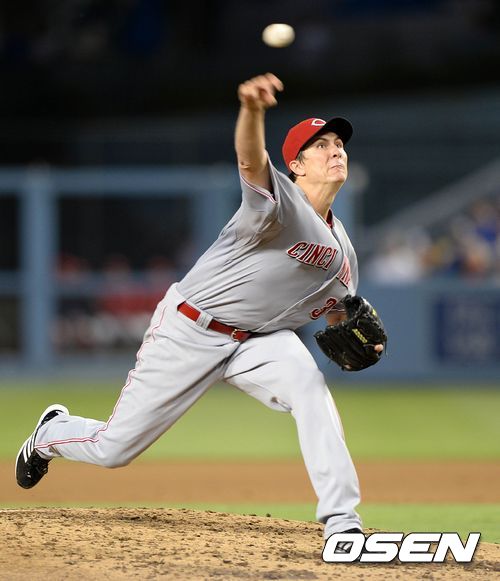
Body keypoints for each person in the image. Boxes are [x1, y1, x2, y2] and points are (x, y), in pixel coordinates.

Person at [16, 73, 384, 546]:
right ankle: (52, 433)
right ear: (296, 164)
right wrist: (252, 110)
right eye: (322, 145)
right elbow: (250, 159)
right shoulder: (279, 204)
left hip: (258, 343)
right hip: (191, 328)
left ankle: (342, 518)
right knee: (114, 449)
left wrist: (356, 332)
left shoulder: (343, 254)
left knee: (309, 386)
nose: (336, 151)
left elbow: (339, 310)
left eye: (339, 144)